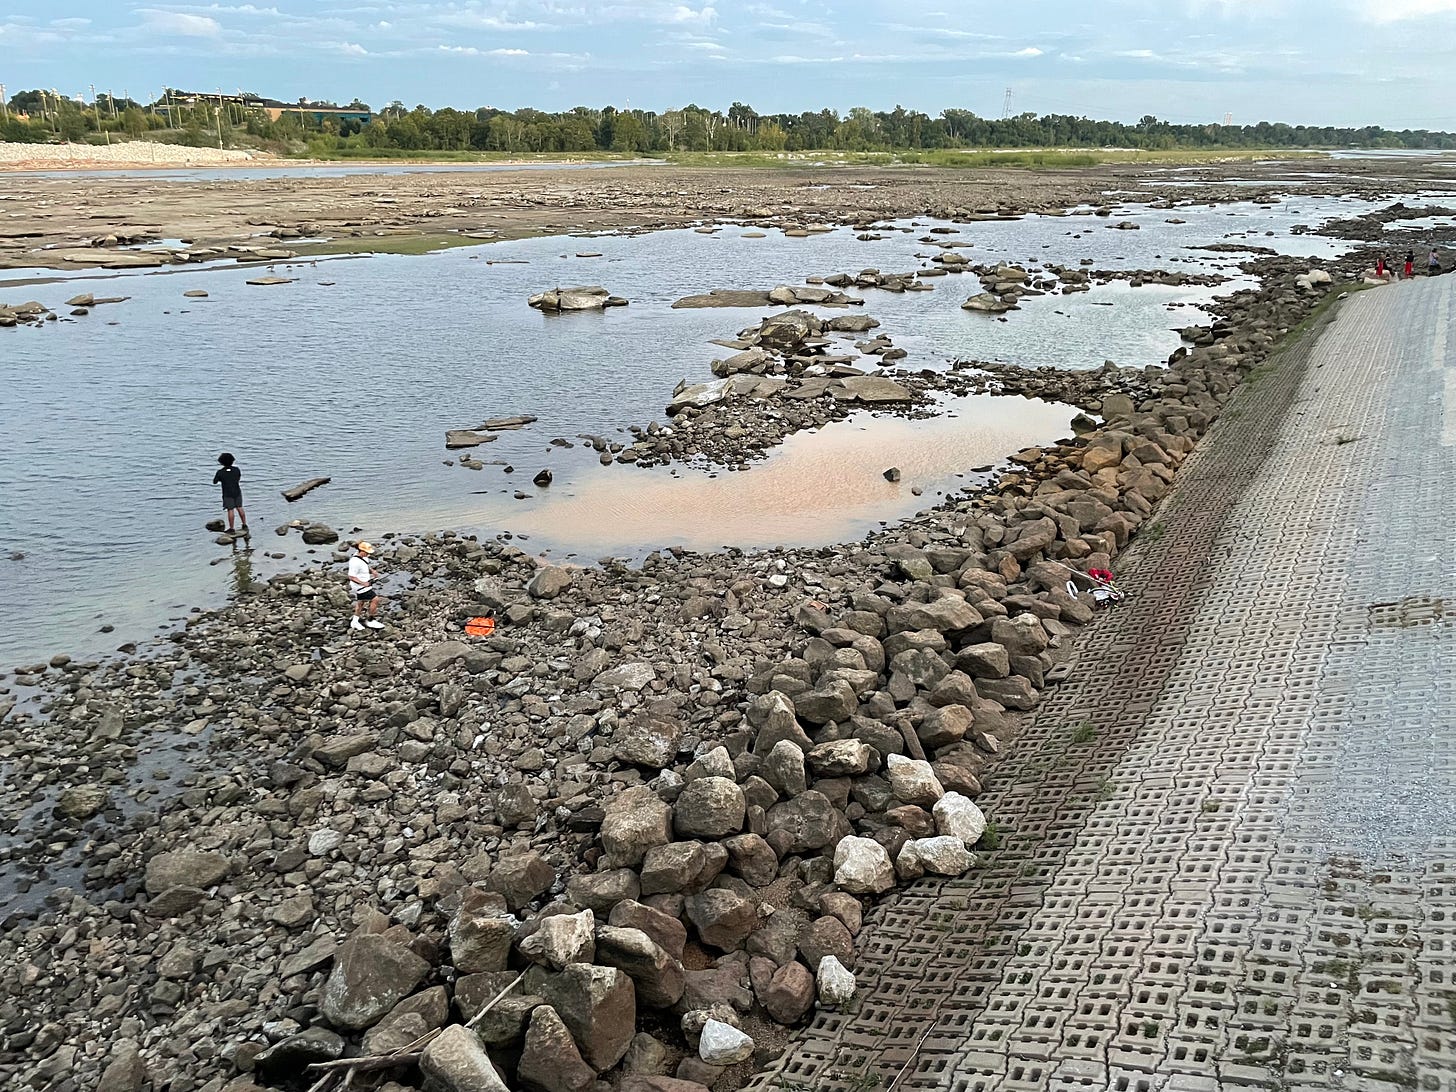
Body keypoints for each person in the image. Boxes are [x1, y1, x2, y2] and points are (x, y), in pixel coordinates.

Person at [348, 541, 385, 631]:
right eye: (367, 553)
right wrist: (363, 583)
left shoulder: (363, 557)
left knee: (361, 602)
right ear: (362, 551)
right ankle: (370, 620)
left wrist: (372, 571)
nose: (368, 554)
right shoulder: (354, 562)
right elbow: (351, 576)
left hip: (365, 583)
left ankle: (355, 621)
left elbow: (366, 564)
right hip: (360, 586)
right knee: (375, 599)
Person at [212, 453, 247, 534]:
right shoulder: (237, 469)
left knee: (230, 510)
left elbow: (214, 482)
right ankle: (244, 524)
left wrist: (221, 479)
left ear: (221, 462)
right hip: (237, 492)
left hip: (227, 494)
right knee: (240, 507)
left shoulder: (220, 472)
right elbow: (238, 478)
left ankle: (231, 528)